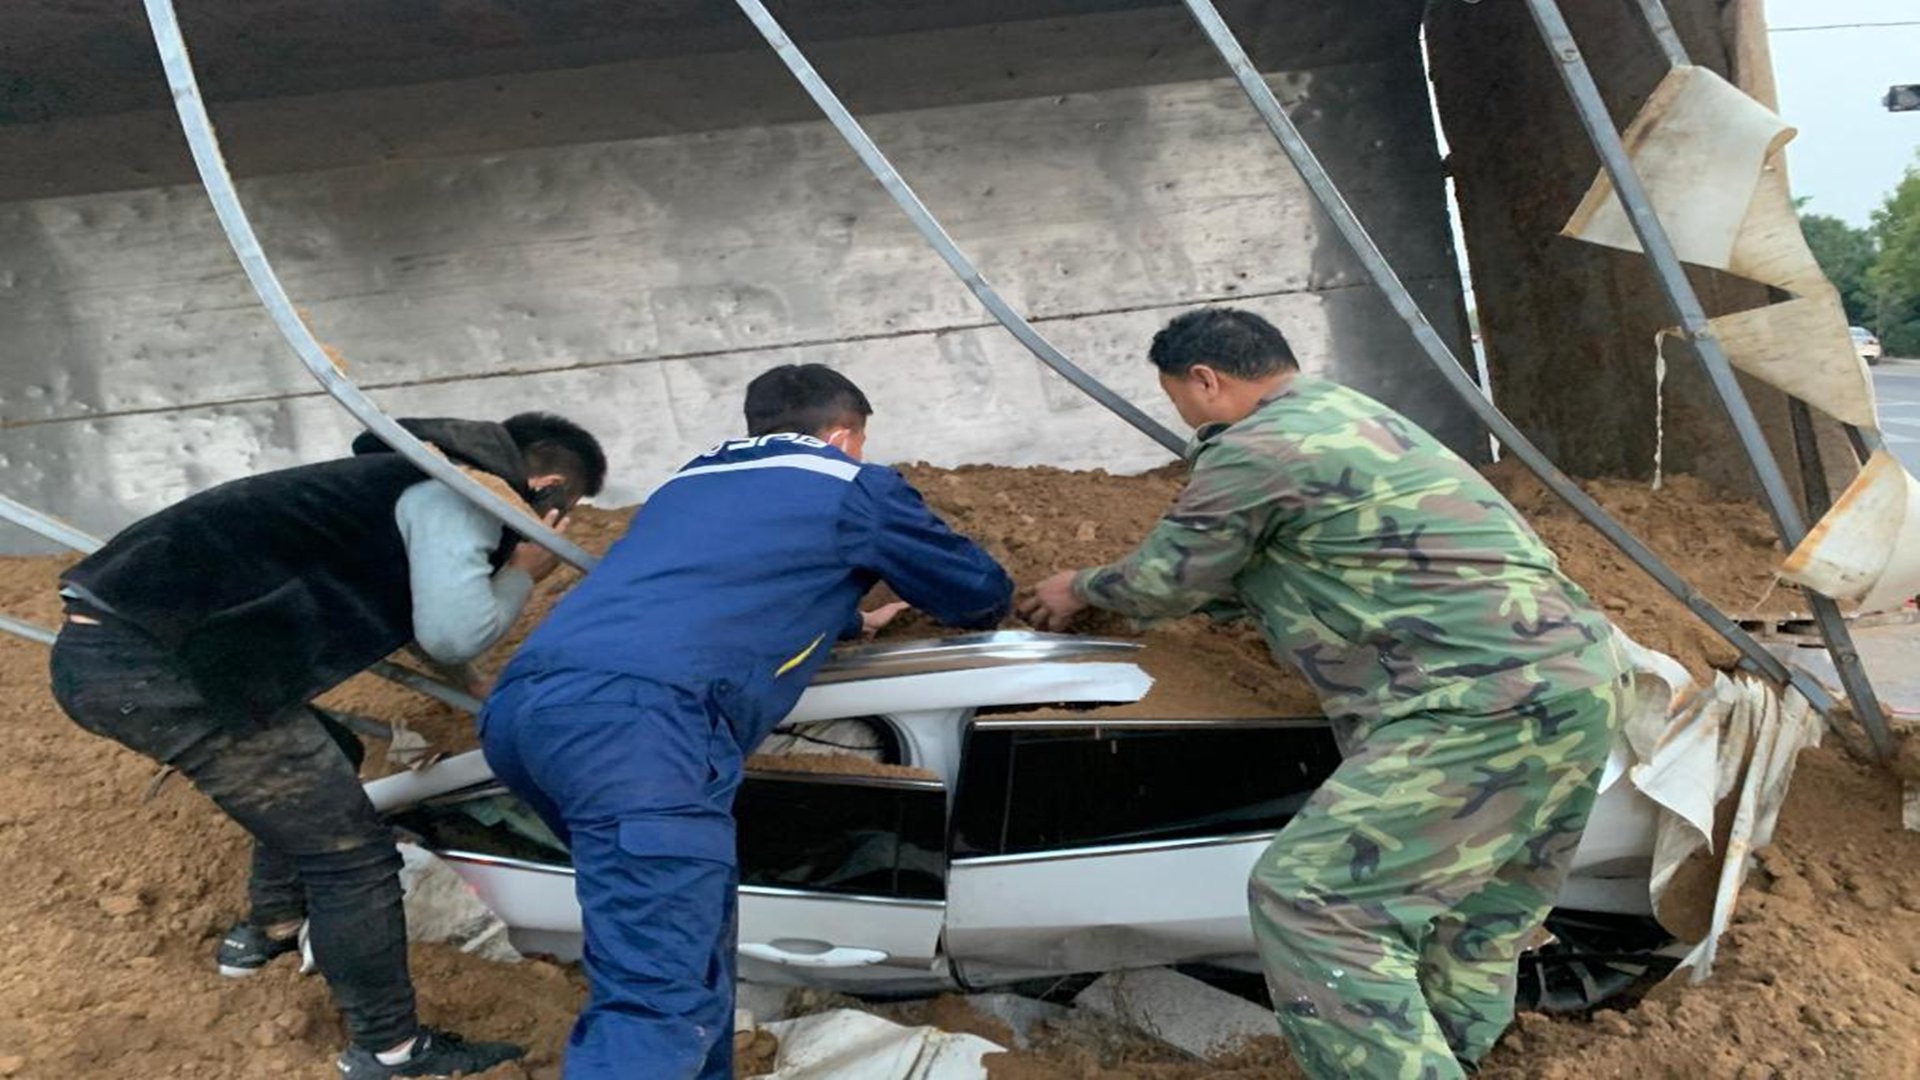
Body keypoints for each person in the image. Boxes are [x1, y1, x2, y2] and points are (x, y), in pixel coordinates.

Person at [1020, 308, 1629, 1080]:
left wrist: (1078, 586)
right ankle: (1452, 1058)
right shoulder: (1357, 417)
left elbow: (1167, 579)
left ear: (1205, 380)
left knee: (1312, 902)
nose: (1183, 416)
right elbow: (1320, 564)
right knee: (1477, 913)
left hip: (1473, 701)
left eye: (1178, 397)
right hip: (1579, 681)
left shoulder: (1255, 449)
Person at [483, 363, 1012, 1079]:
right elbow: (977, 595)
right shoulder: (849, 481)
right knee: (655, 994)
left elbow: (712, 588)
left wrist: (843, 616)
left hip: (527, 712)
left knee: (684, 943)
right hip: (643, 727)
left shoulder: (687, 483)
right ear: (843, 433)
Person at [49, 412, 607, 1078]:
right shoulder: (460, 496)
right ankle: (390, 1050)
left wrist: (481, 686)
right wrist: (523, 570)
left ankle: (270, 931)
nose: (556, 525)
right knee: (352, 857)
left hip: (127, 652)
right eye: (562, 510)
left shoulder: (409, 479)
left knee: (330, 756)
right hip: (154, 668)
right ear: (542, 485)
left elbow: (427, 613)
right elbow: (453, 631)